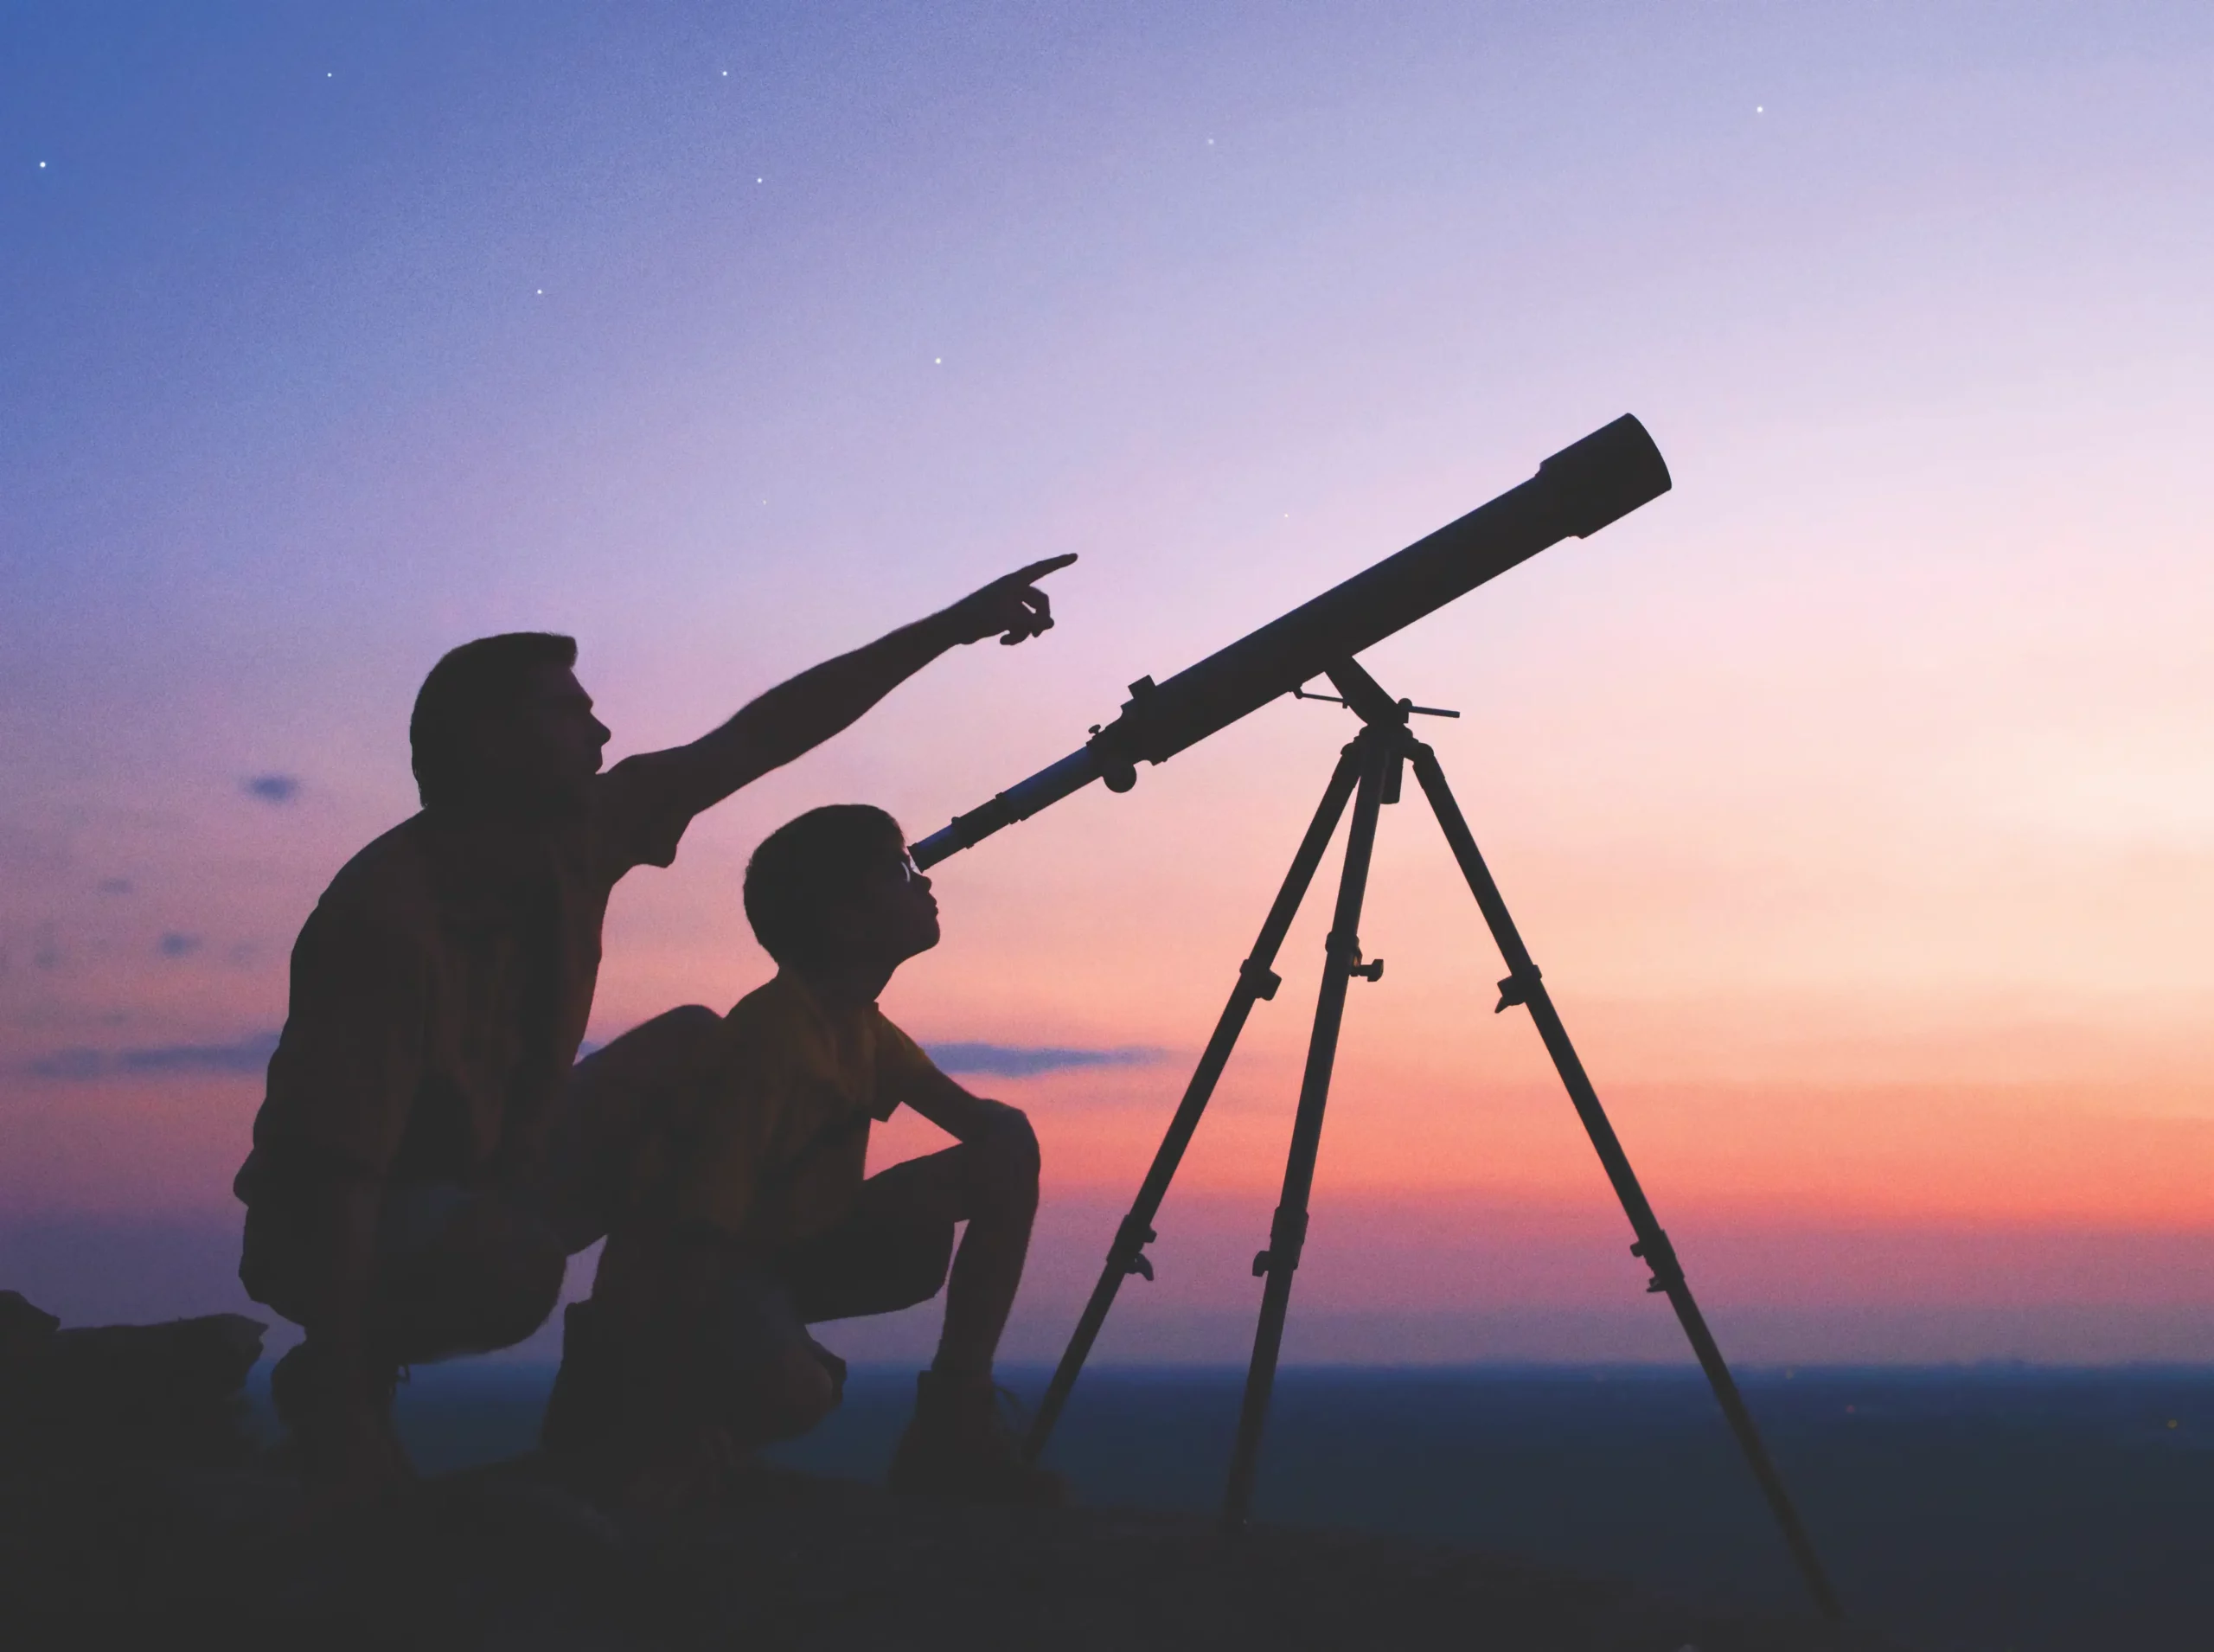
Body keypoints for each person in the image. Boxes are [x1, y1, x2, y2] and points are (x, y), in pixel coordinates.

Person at [233, 555, 1073, 1505]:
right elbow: (340, 1177)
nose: (600, 728)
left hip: (487, 1175)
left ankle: (632, 1390)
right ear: (490, 742)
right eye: (566, 711)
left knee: (687, 1043)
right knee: (511, 1265)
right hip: (347, 1219)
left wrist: (946, 628)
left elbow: (763, 734)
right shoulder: (386, 920)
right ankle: (344, 1388)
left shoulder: (578, 837)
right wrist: (348, 1412)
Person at [548, 804, 1058, 1508]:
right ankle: (656, 1432)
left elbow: (986, 1133)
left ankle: (953, 1421)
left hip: (778, 1252)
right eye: (899, 868)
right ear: (845, 922)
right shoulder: (772, 1040)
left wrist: (1011, 1140)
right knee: (798, 1392)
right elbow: (697, 1237)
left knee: (1006, 1154)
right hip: (688, 1275)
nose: (924, 879)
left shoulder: (862, 1030)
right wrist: (663, 1395)